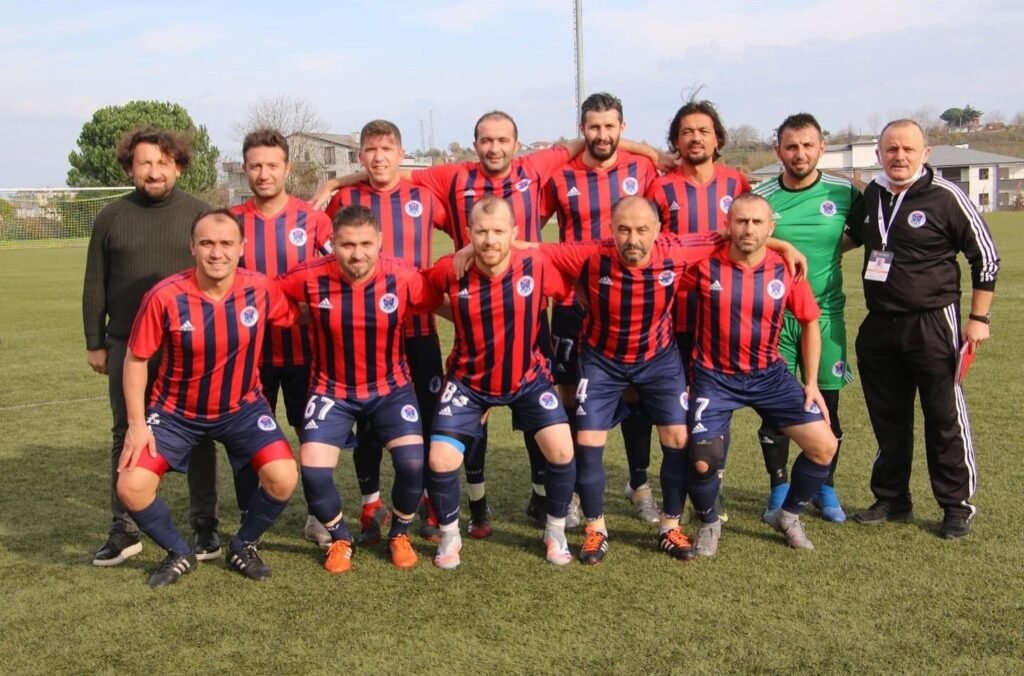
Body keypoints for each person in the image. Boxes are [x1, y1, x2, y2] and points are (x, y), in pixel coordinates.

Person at [312, 112, 667, 539]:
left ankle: (542, 496)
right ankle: (472, 505)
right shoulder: (453, 176)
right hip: (471, 311)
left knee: (540, 409)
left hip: (528, 312)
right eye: (486, 140)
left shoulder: (535, 167)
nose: (494, 147)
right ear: (475, 143)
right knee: (468, 413)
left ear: (516, 144)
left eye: (502, 140)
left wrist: (647, 151)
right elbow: (386, 169)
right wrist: (336, 182)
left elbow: (590, 140)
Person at [116, 209, 300, 587]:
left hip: (243, 409)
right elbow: (136, 360)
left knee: (283, 477)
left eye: (226, 243)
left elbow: (300, 317)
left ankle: (243, 545)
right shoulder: (165, 295)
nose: (217, 253)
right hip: (175, 413)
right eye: (207, 243)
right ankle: (178, 551)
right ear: (193, 248)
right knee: (131, 487)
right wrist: (136, 424)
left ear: (242, 247)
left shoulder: (261, 289)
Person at [847, 119, 999, 539]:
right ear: (879, 154)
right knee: (888, 417)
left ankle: (956, 506)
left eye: (908, 149)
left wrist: (978, 319)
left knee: (943, 416)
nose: (899, 156)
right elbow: (854, 237)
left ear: (925, 153)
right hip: (880, 324)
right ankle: (892, 498)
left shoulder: (946, 196)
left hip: (933, 321)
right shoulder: (873, 194)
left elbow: (985, 257)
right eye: (891, 149)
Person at [82, 126, 220, 568]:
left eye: (163, 162)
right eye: (145, 163)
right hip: (127, 345)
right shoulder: (111, 217)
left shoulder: (200, 215)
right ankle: (124, 529)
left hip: (187, 347)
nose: (154, 171)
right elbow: (95, 282)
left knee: (199, 434)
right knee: (126, 431)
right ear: (130, 168)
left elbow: (219, 275)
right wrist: (95, 342)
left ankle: (205, 524)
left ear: (179, 166)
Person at [277, 205, 442, 571]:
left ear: (379, 241)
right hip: (331, 390)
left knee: (413, 463)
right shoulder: (309, 276)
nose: (357, 253)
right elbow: (269, 294)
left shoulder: (402, 276)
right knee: (314, 472)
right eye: (348, 244)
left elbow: (437, 297)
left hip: (391, 388)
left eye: (366, 244)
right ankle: (340, 537)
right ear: (332, 243)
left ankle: (399, 533)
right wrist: (298, 316)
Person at [423, 196, 577, 569]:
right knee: (440, 459)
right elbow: (425, 297)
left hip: (528, 379)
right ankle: (450, 536)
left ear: (514, 233)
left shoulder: (536, 266)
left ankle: (555, 531)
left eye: (497, 231)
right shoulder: (449, 270)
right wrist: (462, 316)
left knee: (561, 451)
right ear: (468, 233)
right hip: (468, 383)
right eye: (481, 232)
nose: (490, 240)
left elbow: (570, 293)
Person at [680, 193, 838, 557]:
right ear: (728, 225)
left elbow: (810, 322)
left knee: (824, 447)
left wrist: (811, 383)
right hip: (714, 378)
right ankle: (709, 522)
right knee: (703, 461)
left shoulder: (786, 269)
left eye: (756, 222)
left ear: (770, 227)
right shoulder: (703, 265)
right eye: (741, 221)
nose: (748, 229)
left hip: (770, 376)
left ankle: (788, 515)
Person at [323, 120, 448, 546]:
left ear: (401, 153)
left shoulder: (424, 198)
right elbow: (323, 248)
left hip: (418, 329)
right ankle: (370, 504)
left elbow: (464, 231)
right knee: (369, 422)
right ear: (360, 156)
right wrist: (333, 183)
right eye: (371, 149)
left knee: (426, 416)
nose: (379, 157)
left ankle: (425, 498)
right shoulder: (344, 198)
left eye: (386, 148)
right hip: (364, 331)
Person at [540, 92, 661, 525]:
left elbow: (661, 229)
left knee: (635, 391)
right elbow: (531, 227)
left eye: (610, 126)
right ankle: (574, 489)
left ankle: (638, 484)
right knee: (570, 393)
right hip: (574, 302)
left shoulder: (642, 169)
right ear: (582, 129)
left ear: (622, 128)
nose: (602, 134)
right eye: (594, 126)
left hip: (630, 301)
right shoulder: (560, 175)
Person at [752, 113, 865, 524]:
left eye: (807, 145)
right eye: (791, 146)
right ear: (778, 150)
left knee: (827, 405)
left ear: (821, 147)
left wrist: (834, 250)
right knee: (776, 408)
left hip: (826, 315)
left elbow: (865, 233)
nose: (799, 153)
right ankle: (779, 486)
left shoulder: (844, 192)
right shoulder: (762, 195)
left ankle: (824, 486)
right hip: (774, 318)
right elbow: (745, 237)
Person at [646, 99, 751, 521]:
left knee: (715, 405)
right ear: (675, 140)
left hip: (723, 316)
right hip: (673, 316)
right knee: (675, 408)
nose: (695, 138)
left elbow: (752, 235)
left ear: (717, 139)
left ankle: (711, 490)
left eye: (703, 131)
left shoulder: (737, 183)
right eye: (686, 131)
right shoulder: (661, 188)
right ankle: (671, 490)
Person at [230, 128, 334, 548]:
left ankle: (318, 515)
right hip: (247, 357)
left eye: (272, 165)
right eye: (255, 165)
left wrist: (318, 309)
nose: (263, 173)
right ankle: (249, 519)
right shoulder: (232, 221)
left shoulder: (313, 220)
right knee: (244, 438)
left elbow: (342, 270)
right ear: (245, 168)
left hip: (305, 352)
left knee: (312, 436)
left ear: (287, 168)